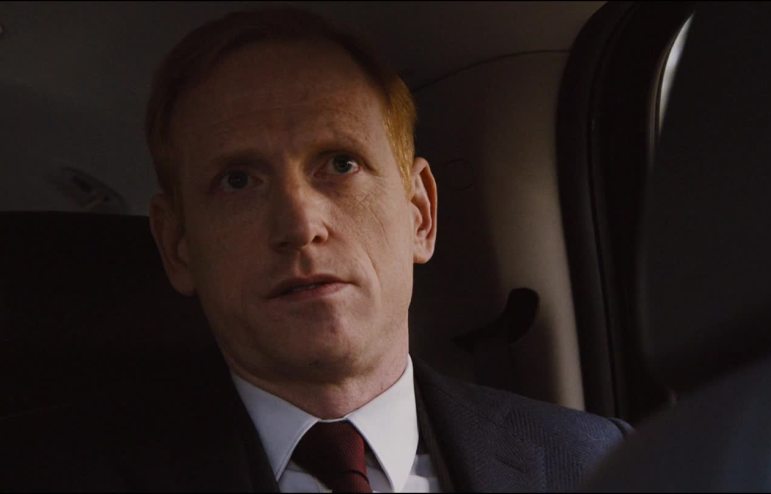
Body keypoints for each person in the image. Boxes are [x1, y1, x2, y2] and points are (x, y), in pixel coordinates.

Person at [0, 7, 629, 492]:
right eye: (238, 181)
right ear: (178, 246)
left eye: (341, 164)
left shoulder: (602, 466)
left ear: (420, 214)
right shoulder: (38, 473)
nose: (301, 225)